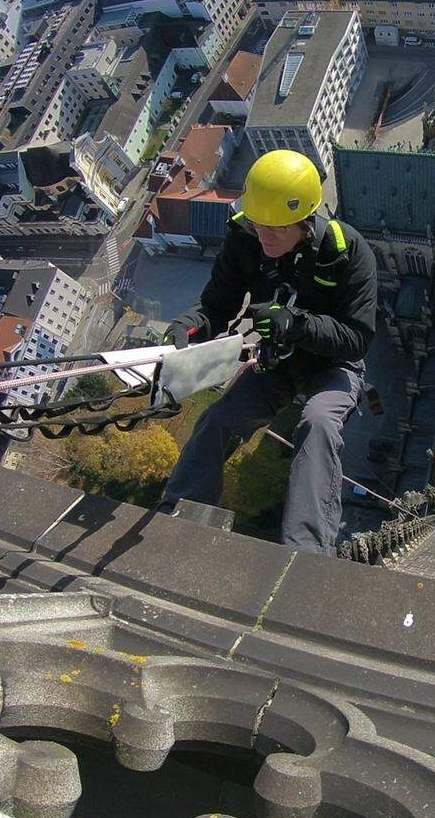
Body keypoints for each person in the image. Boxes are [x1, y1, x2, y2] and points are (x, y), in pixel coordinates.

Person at [158, 149, 377, 554]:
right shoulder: (245, 239)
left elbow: (357, 337)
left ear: (305, 222)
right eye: (259, 225)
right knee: (219, 419)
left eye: (275, 229)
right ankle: (178, 510)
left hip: (333, 364)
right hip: (278, 360)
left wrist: (298, 325)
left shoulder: (348, 253)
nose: (264, 237)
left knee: (318, 424)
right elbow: (216, 305)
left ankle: (305, 552)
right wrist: (187, 327)